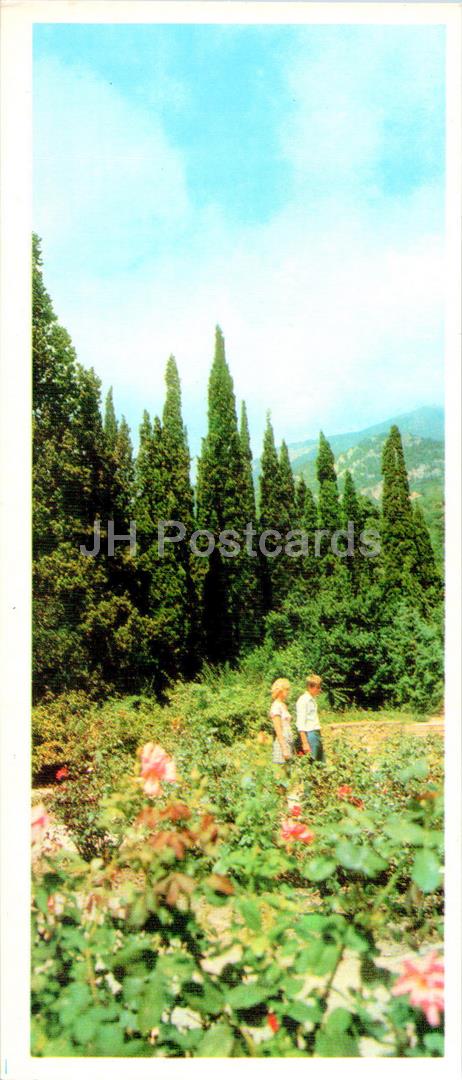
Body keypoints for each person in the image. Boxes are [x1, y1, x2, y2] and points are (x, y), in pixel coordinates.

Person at [296, 674, 325, 762]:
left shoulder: (312, 700)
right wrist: (305, 743)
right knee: (312, 763)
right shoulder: (304, 701)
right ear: (310, 687)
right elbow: (300, 723)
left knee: (321, 764)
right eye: (318, 687)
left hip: (316, 734)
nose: (320, 690)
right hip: (310, 735)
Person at [270, 677, 294, 766]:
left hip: (288, 740)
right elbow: (278, 729)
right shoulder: (276, 706)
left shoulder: (283, 705)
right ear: (280, 691)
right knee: (282, 774)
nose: (288, 692)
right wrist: (284, 748)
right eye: (287, 690)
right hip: (282, 743)